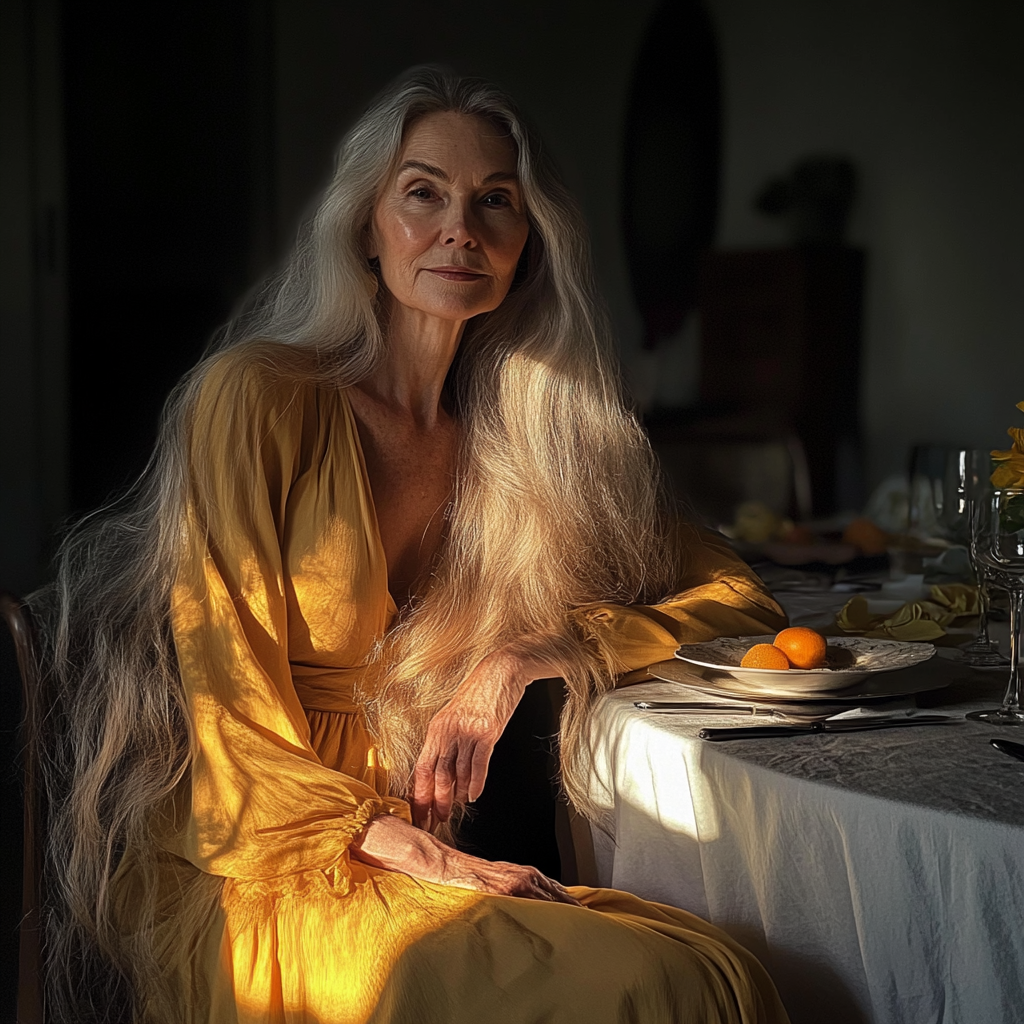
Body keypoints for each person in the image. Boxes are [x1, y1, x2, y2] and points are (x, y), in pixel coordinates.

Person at [39, 67, 790, 1024]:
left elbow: (740, 601)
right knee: (667, 986)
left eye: (496, 203)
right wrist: (434, 857)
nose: (460, 230)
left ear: (530, 242)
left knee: (724, 971)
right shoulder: (259, 398)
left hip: (424, 862)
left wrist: (538, 651)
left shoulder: (535, 444)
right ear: (365, 224)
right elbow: (228, 718)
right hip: (263, 865)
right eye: (422, 192)